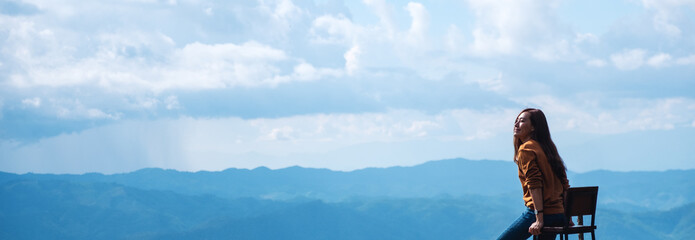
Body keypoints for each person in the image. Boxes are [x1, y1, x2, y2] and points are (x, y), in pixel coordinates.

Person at [497, 108, 571, 240]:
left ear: (533, 127)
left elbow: (534, 184)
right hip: (559, 214)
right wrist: (567, 216)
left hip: (540, 213)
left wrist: (539, 219)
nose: (516, 124)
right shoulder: (548, 147)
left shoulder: (526, 148)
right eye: (516, 121)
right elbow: (564, 183)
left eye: (522, 121)